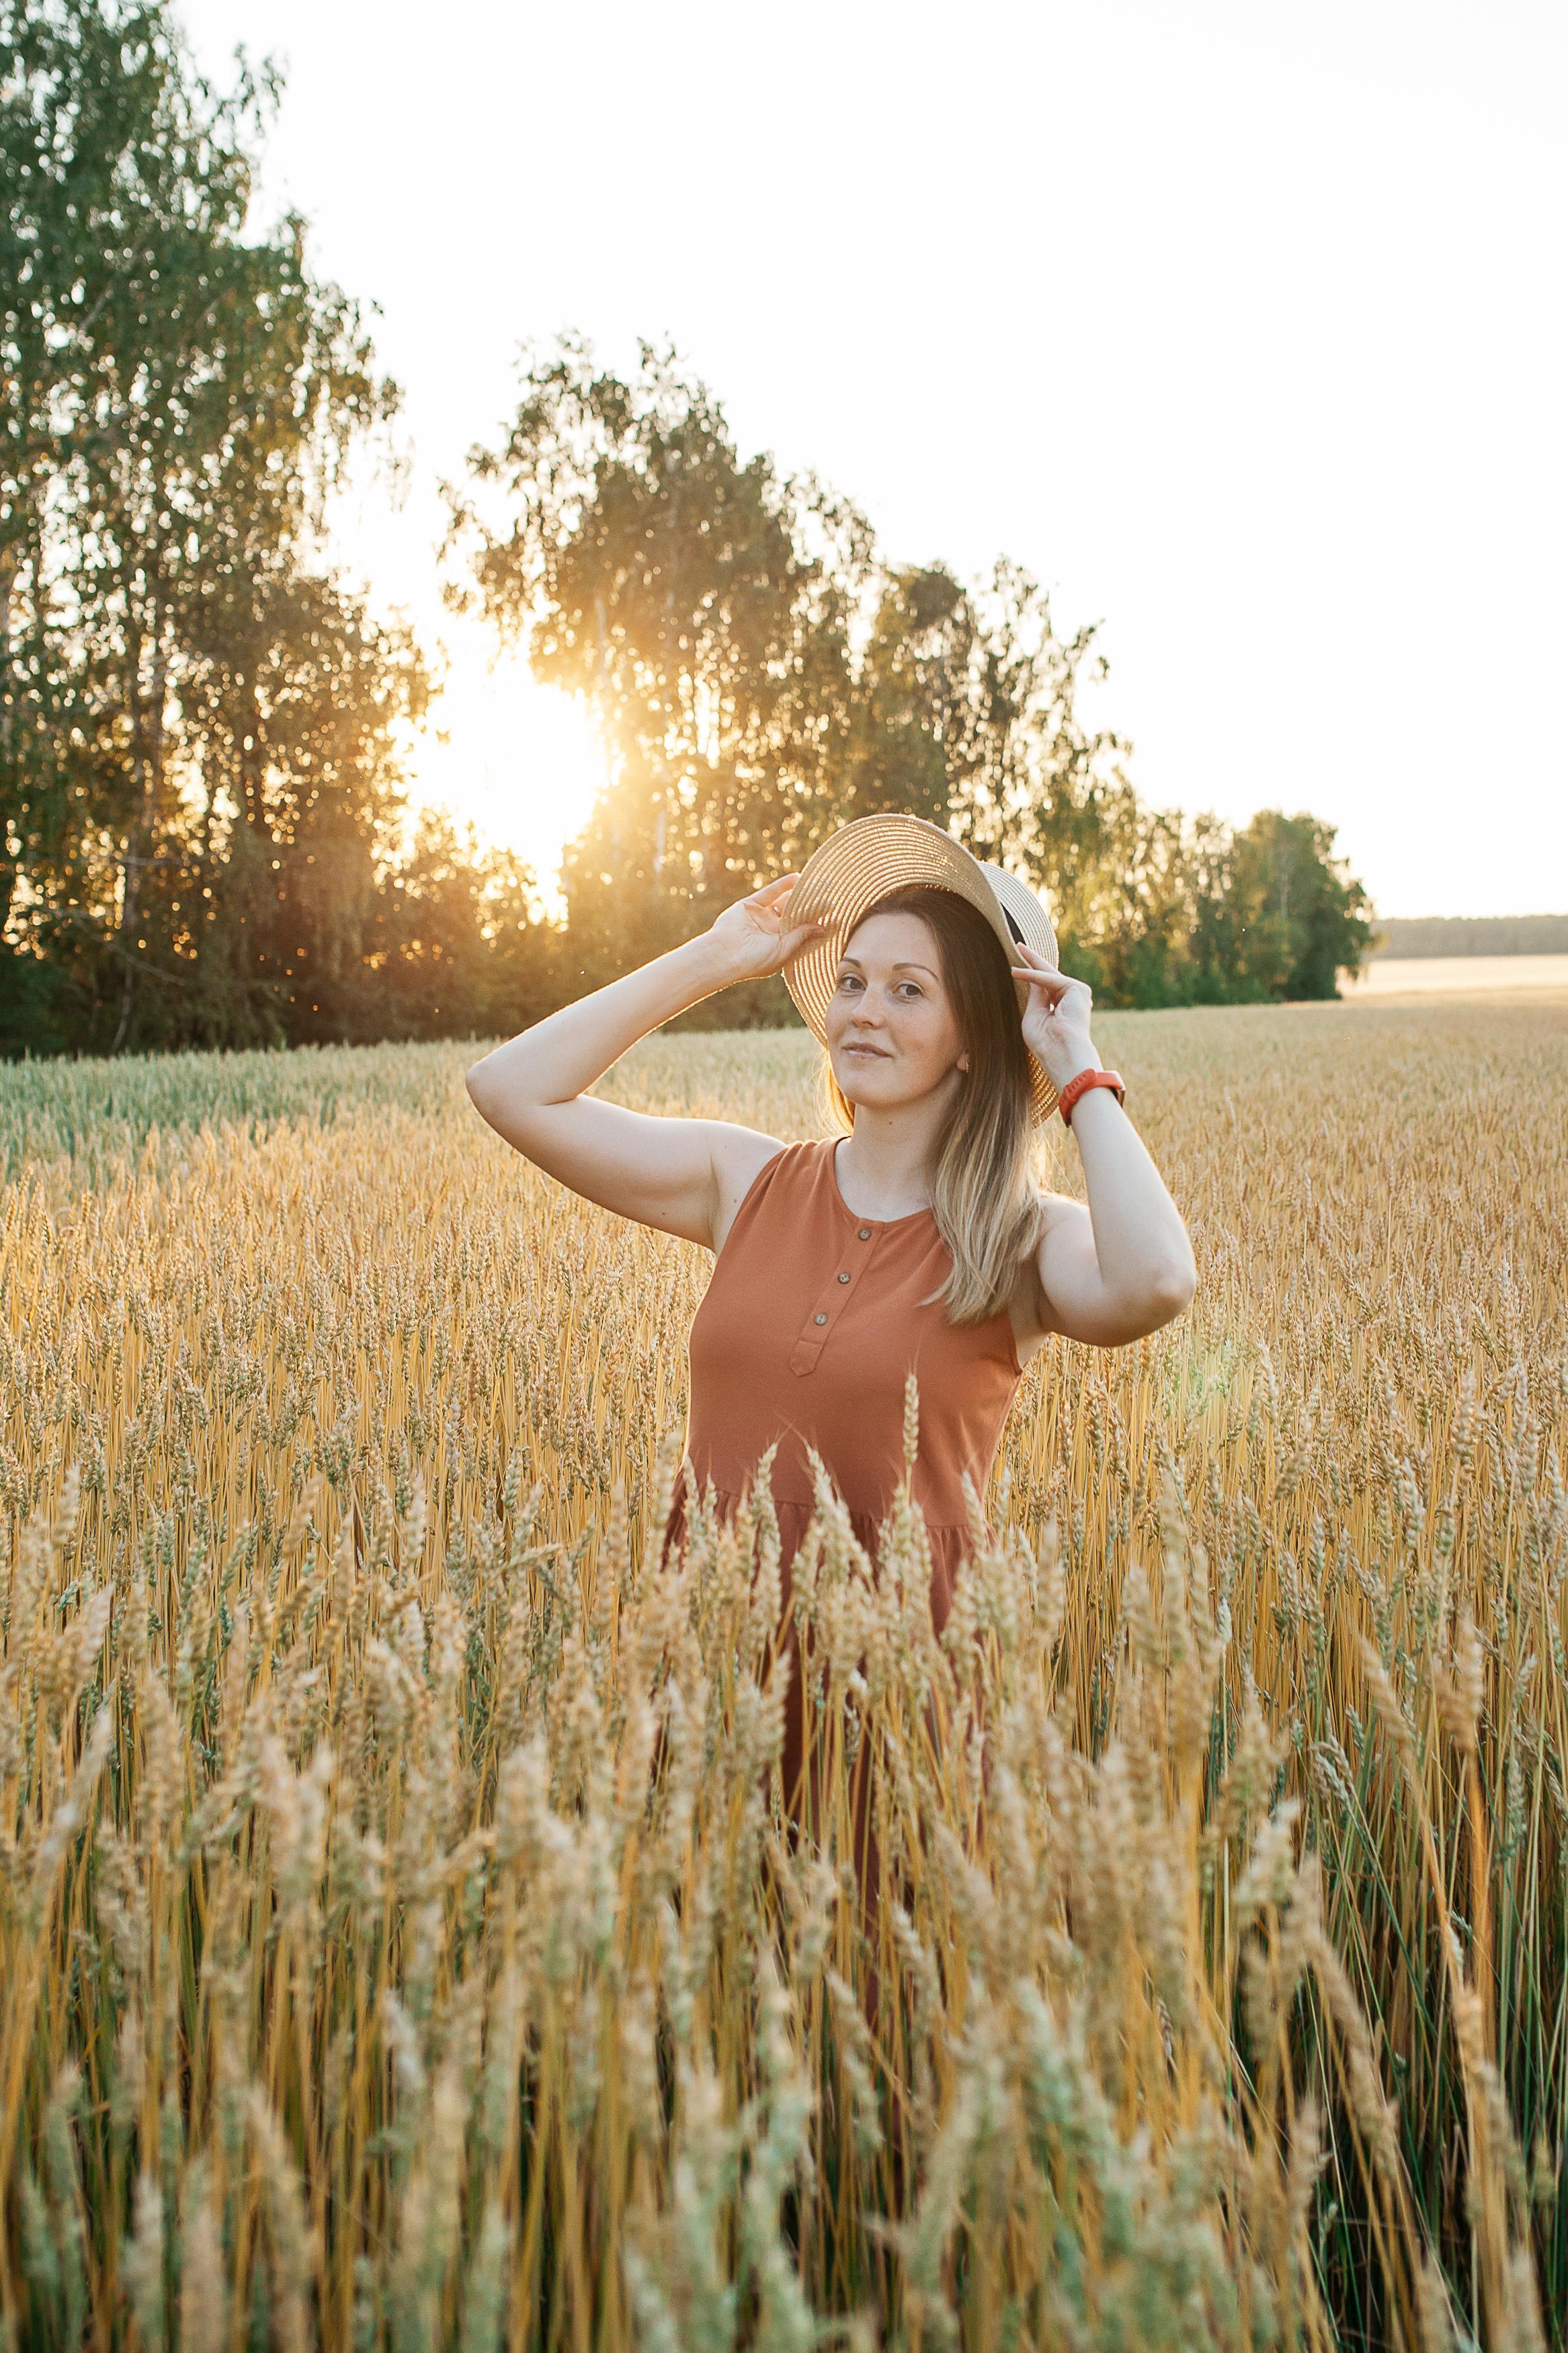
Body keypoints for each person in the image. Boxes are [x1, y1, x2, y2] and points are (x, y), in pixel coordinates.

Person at [465, 813, 1196, 1812]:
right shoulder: (743, 1180)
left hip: (903, 1695)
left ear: (979, 1033)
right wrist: (717, 957)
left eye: (908, 991)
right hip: (718, 1662)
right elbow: (508, 1089)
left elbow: (1155, 1281)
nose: (862, 1011)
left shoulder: (1018, 1240)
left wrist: (1075, 1067)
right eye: (850, 980)